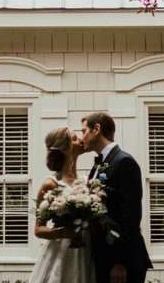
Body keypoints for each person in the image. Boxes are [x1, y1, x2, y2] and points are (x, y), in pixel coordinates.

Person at [80, 112, 153, 283]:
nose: (81, 137)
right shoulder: (98, 165)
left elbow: (131, 216)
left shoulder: (124, 162)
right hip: (104, 256)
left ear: (96, 129)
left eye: (84, 131)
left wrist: (121, 262)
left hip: (122, 263)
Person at [28, 126, 95, 283]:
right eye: (74, 138)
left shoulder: (87, 182)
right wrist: (61, 232)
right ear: (65, 148)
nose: (81, 139)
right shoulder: (51, 184)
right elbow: (38, 229)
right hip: (62, 253)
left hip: (86, 251)